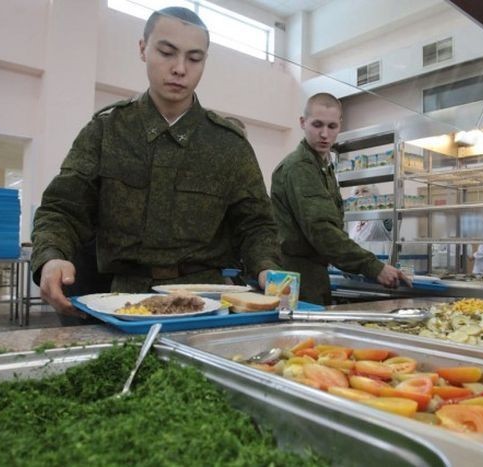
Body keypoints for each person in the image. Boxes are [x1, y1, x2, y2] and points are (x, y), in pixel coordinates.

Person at [31, 7, 280, 317]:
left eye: (194, 58)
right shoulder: (106, 131)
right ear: (143, 49)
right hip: (119, 301)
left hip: (206, 301)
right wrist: (52, 255)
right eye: (166, 53)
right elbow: (63, 208)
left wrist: (266, 266)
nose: (179, 69)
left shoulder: (229, 144)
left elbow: (257, 224)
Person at [271, 93, 410, 305]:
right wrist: (373, 266)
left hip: (311, 274)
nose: (324, 134)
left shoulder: (323, 167)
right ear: (302, 122)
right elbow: (323, 231)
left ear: (340, 126)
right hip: (297, 278)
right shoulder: (300, 168)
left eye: (332, 126)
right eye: (317, 125)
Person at [348, 185, 393, 249]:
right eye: (356, 193)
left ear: (374, 195)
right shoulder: (355, 221)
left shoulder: (381, 216)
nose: (360, 194)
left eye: (364, 191)